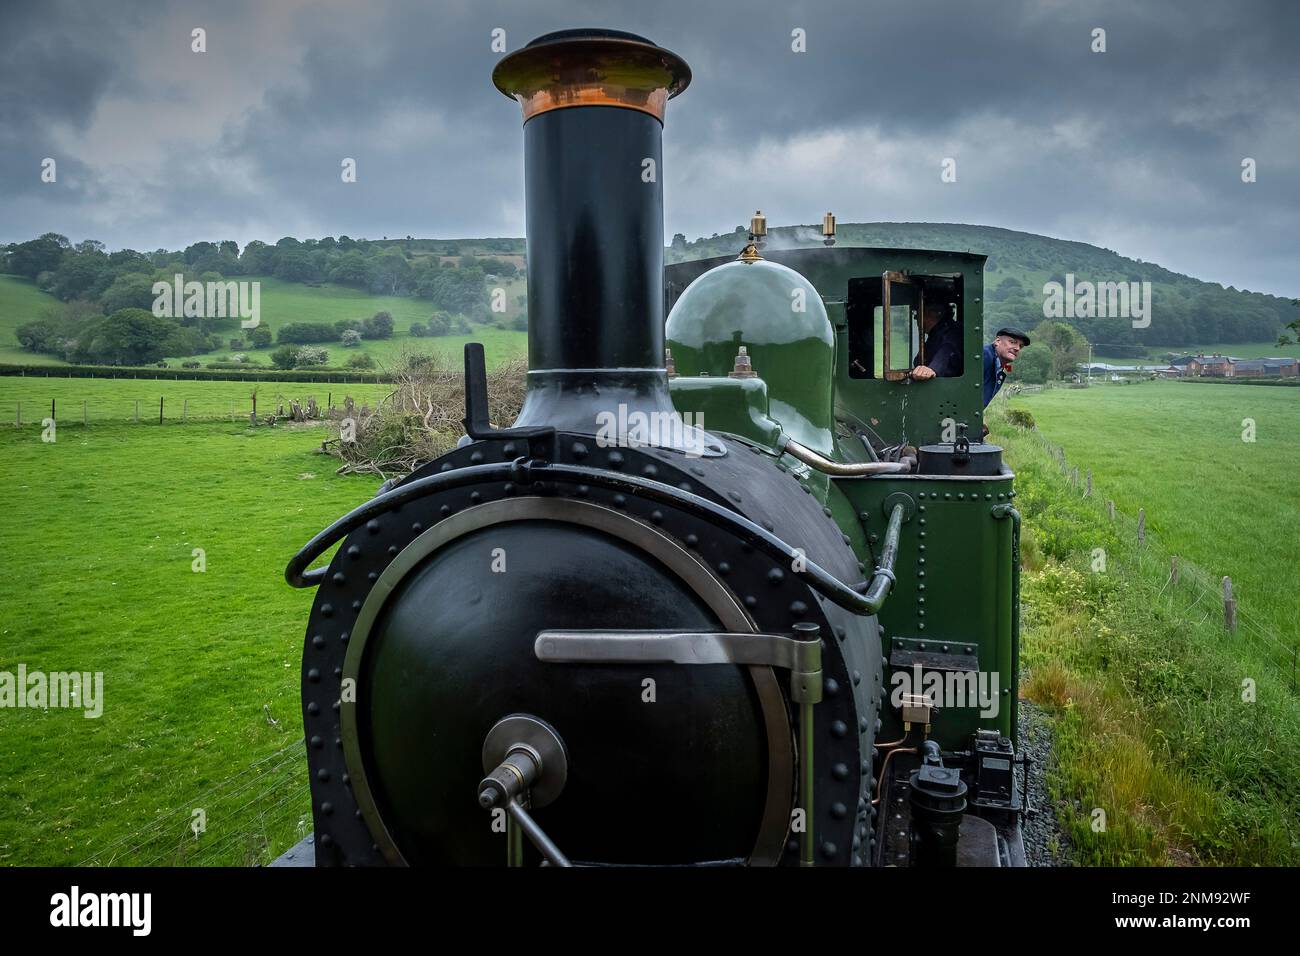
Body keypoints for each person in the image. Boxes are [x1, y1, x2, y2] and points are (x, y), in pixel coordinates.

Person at [909, 299, 963, 380]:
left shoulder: (954, 332)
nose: (916, 319)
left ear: (930, 313)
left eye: (917, 315)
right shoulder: (934, 336)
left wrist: (933, 369)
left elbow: (948, 349)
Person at [984, 326, 1030, 406]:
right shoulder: (984, 356)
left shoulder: (998, 366)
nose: (1017, 348)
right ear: (998, 341)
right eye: (1012, 342)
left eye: (1020, 346)